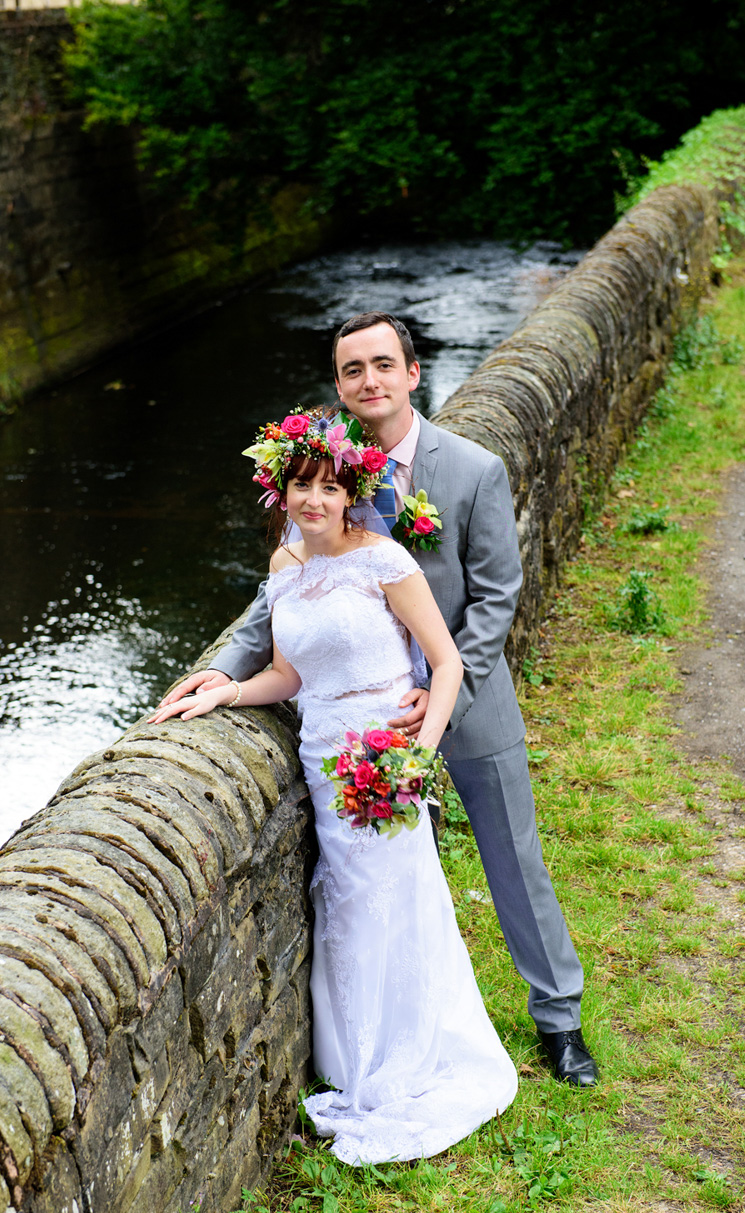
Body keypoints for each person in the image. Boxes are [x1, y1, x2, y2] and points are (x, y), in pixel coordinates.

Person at [163, 312, 598, 1088]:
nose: (369, 380)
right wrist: (224, 669)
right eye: (352, 369)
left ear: (411, 372)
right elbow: (286, 595)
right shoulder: (328, 474)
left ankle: (558, 1020)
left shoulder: (470, 468)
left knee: (513, 861)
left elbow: (496, 600)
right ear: (338, 385)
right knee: (395, 881)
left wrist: (433, 696)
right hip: (355, 724)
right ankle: (410, 1032)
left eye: (382, 364)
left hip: (462, 705)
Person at [151, 412, 517, 1164]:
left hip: (381, 757)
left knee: (392, 900)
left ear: (351, 492)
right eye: (300, 485)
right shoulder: (287, 570)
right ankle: (356, 1063)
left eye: (328, 486)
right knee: (346, 903)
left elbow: (443, 663)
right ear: (279, 491)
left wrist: (415, 754)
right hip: (322, 758)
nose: (313, 498)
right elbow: (288, 675)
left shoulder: (384, 560)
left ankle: (404, 1060)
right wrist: (225, 692)